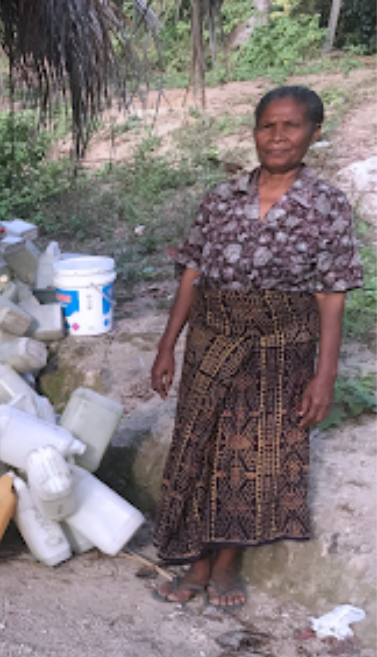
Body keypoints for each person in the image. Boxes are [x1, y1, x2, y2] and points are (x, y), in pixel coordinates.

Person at [149, 86, 364, 612]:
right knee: (200, 448)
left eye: (291, 126)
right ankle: (195, 557)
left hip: (280, 349)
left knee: (252, 458)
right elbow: (192, 273)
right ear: (254, 132)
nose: (278, 137)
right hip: (212, 339)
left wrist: (325, 375)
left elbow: (331, 295)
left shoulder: (327, 205)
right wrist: (166, 345)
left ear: (314, 132)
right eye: (268, 125)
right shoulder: (221, 198)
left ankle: (224, 563)